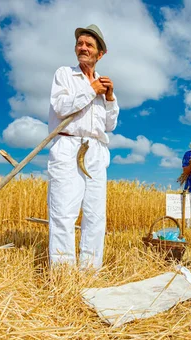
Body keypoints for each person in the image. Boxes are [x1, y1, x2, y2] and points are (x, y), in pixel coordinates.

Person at [47, 24, 119, 270]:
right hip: (68, 144)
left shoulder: (104, 85)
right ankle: (63, 277)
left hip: (96, 150)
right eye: (80, 43)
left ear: (101, 54)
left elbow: (110, 125)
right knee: (63, 213)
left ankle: (90, 273)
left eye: (89, 45)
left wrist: (109, 99)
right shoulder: (65, 75)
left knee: (95, 216)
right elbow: (60, 107)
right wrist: (91, 90)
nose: (83, 48)